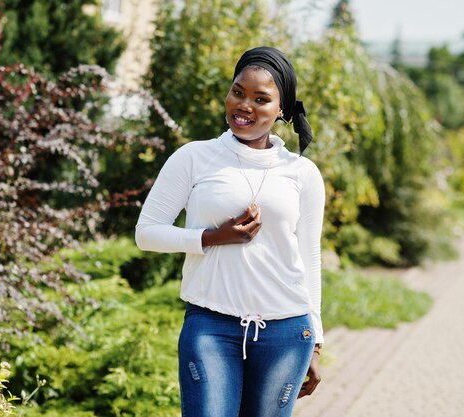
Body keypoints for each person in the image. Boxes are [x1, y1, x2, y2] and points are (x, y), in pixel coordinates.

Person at [135, 46, 325, 417]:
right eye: (238, 92)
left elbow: (309, 259)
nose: (245, 105)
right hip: (211, 325)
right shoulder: (194, 157)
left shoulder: (302, 173)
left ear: (282, 110)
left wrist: (315, 341)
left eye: (261, 98)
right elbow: (146, 232)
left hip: (286, 332)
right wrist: (210, 238)